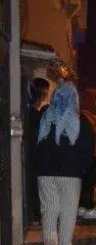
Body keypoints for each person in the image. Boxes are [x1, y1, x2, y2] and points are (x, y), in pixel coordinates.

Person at [35, 80, 94, 245]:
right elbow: (87, 149)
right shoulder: (80, 121)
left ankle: (50, 243)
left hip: (45, 171)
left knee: (49, 208)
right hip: (71, 173)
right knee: (68, 210)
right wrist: (84, 168)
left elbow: (37, 144)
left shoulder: (45, 117)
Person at [24, 77, 51, 226]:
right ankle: (36, 215)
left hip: (32, 155)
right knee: (36, 186)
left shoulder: (31, 112)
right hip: (35, 156)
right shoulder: (35, 114)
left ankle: (35, 215)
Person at [78, 88, 96, 220]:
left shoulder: (91, 115)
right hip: (91, 154)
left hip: (95, 154)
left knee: (89, 182)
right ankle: (87, 207)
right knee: (87, 181)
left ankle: (84, 206)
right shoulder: (84, 116)